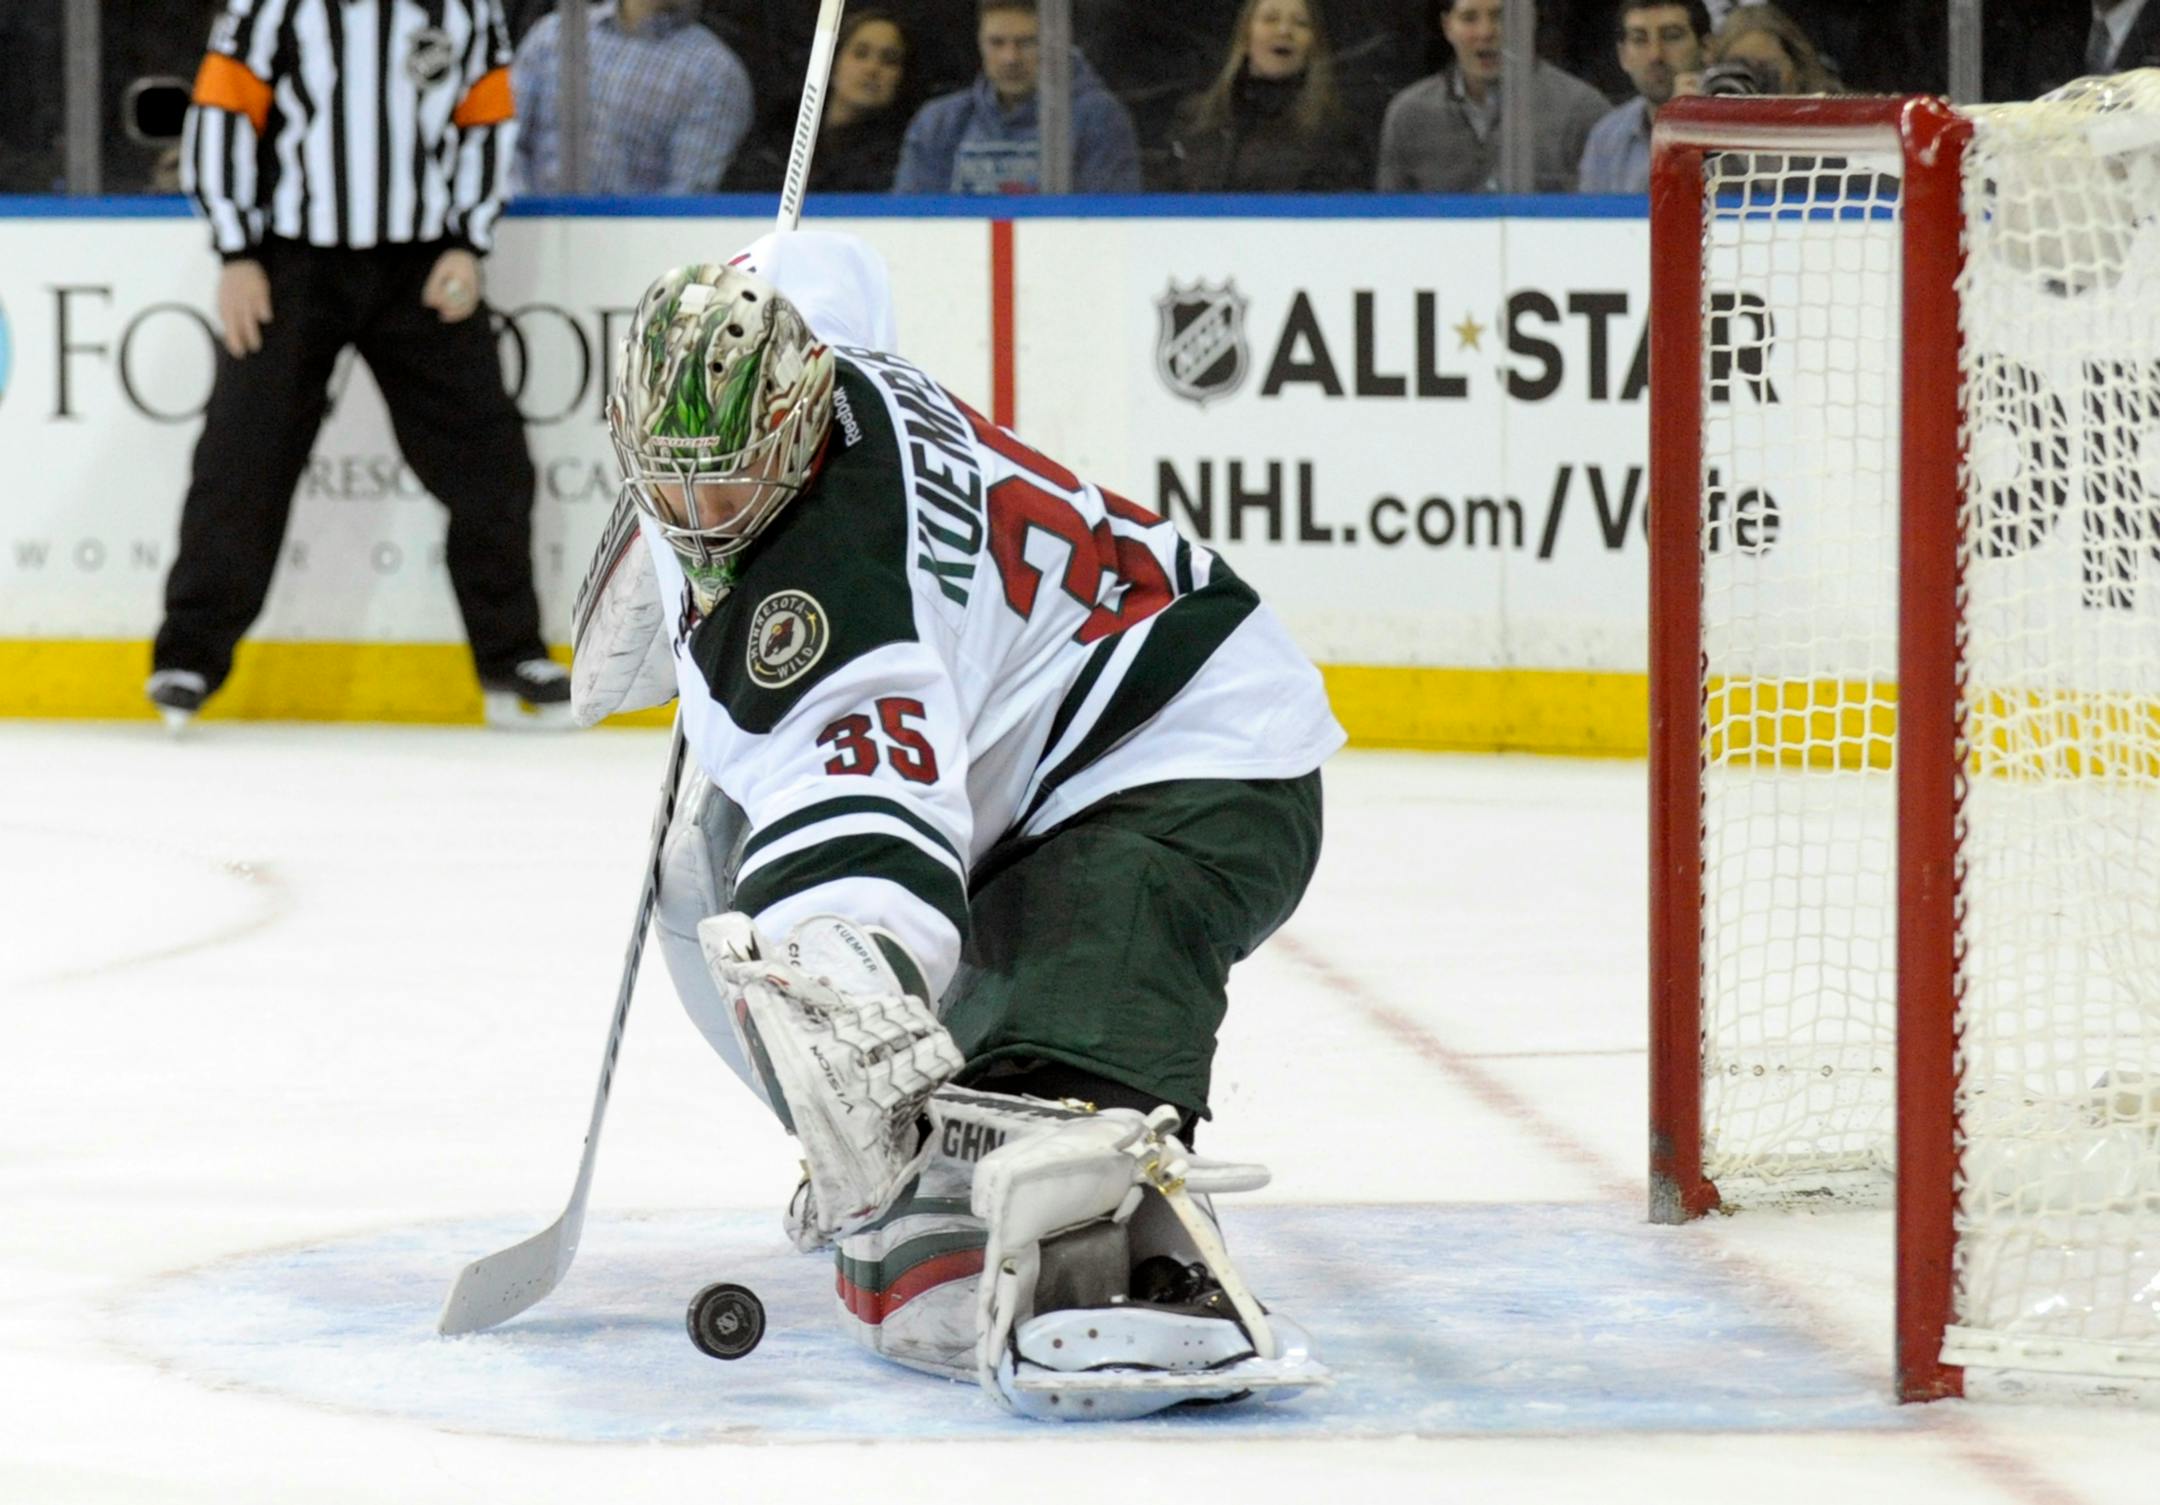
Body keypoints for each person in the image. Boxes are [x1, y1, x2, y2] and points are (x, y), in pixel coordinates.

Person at [570, 230, 1343, 1417]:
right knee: (705, 861)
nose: (693, 511)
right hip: (1035, 718)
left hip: (1186, 750)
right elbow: (818, 263)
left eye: (720, 481)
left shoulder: (836, 608)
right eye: (664, 479)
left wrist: (855, 996)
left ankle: (1096, 1229)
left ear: (791, 428)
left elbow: (878, 827)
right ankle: (915, 1162)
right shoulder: (827, 365)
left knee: (1023, 1114)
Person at [151, 0, 565, 731]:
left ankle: (511, 659)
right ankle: (188, 654)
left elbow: (486, 121)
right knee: (243, 457)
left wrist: (467, 241)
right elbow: (221, 116)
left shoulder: (468, 8)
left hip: (422, 264)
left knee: (491, 460)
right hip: (292, 265)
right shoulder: (270, 8)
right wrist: (237, 251)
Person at [893, 0, 1142, 193]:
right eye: (997, 43)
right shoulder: (938, 123)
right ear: (980, 43)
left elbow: (1109, 226)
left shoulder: (1098, 118)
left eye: (1026, 43)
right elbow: (913, 222)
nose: (1010, 58)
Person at [511, 0, 754, 194]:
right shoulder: (552, 36)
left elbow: (683, 202)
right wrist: (524, 218)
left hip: (637, 247)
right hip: (525, 237)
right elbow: (504, 146)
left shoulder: (714, 73)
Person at [1376, 0, 1610, 193]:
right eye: (1469, 18)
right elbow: (1389, 225)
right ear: (1447, 26)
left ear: (1529, 20)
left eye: (1500, 16)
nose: (1486, 32)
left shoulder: (1582, 109)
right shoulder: (1410, 114)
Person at [1161, 0, 1369, 191]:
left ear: (1314, 45)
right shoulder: (1195, 118)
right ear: (1245, 35)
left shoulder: (1335, 130)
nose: (1284, 31)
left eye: (1300, 23)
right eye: (1270, 19)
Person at [727, 9, 915, 193]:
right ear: (832, 63)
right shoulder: (778, 132)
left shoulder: (903, 156)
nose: (872, 69)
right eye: (860, 53)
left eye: (889, 60)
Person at [1578, 1, 1710, 193]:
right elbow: (1591, 219)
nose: (1655, 54)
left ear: (1706, 48)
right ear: (1623, 55)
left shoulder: (1740, 126)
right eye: (1639, 39)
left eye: (1672, 37)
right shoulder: (1606, 137)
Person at [1702, 4, 1842, 95]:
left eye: (1765, 67)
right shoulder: (1713, 113)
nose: (1755, 78)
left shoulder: (1833, 111)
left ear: (1798, 67)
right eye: (1740, 66)